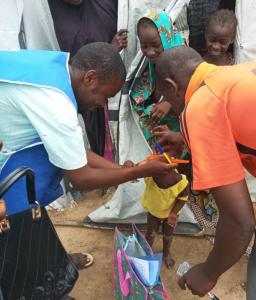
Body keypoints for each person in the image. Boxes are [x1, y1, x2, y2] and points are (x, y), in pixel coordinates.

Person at [153, 45, 256, 299]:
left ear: (170, 86)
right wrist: (186, 140)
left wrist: (208, 272)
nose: (172, 106)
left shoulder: (200, 106)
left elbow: (239, 223)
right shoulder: (237, 73)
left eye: (166, 97)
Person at [0, 42, 177, 218]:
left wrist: (120, 169)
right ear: (90, 78)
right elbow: (80, 178)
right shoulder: (57, 104)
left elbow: (71, 150)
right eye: (105, 96)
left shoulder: (55, 66)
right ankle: (15, 222)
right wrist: (138, 172)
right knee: (17, 209)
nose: (102, 104)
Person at [48, 0, 128, 159]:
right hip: (80, 89)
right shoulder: (55, 97)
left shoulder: (107, 7)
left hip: (103, 82)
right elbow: (77, 166)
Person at [130, 10, 184, 150]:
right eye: (144, 46)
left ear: (166, 38)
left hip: (184, 131)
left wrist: (169, 102)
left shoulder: (184, 59)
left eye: (155, 45)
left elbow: (195, 90)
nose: (150, 52)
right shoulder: (150, 64)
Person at [140, 158, 189, 268]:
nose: (156, 178)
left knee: (168, 234)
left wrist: (174, 213)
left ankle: (166, 253)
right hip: (153, 213)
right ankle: (147, 253)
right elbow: (137, 170)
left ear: (172, 170)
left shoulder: (182, 183)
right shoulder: (149, 177)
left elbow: (183, 198)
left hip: (170, 214)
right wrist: (132, 165)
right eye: (154, 173)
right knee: (151, 233)